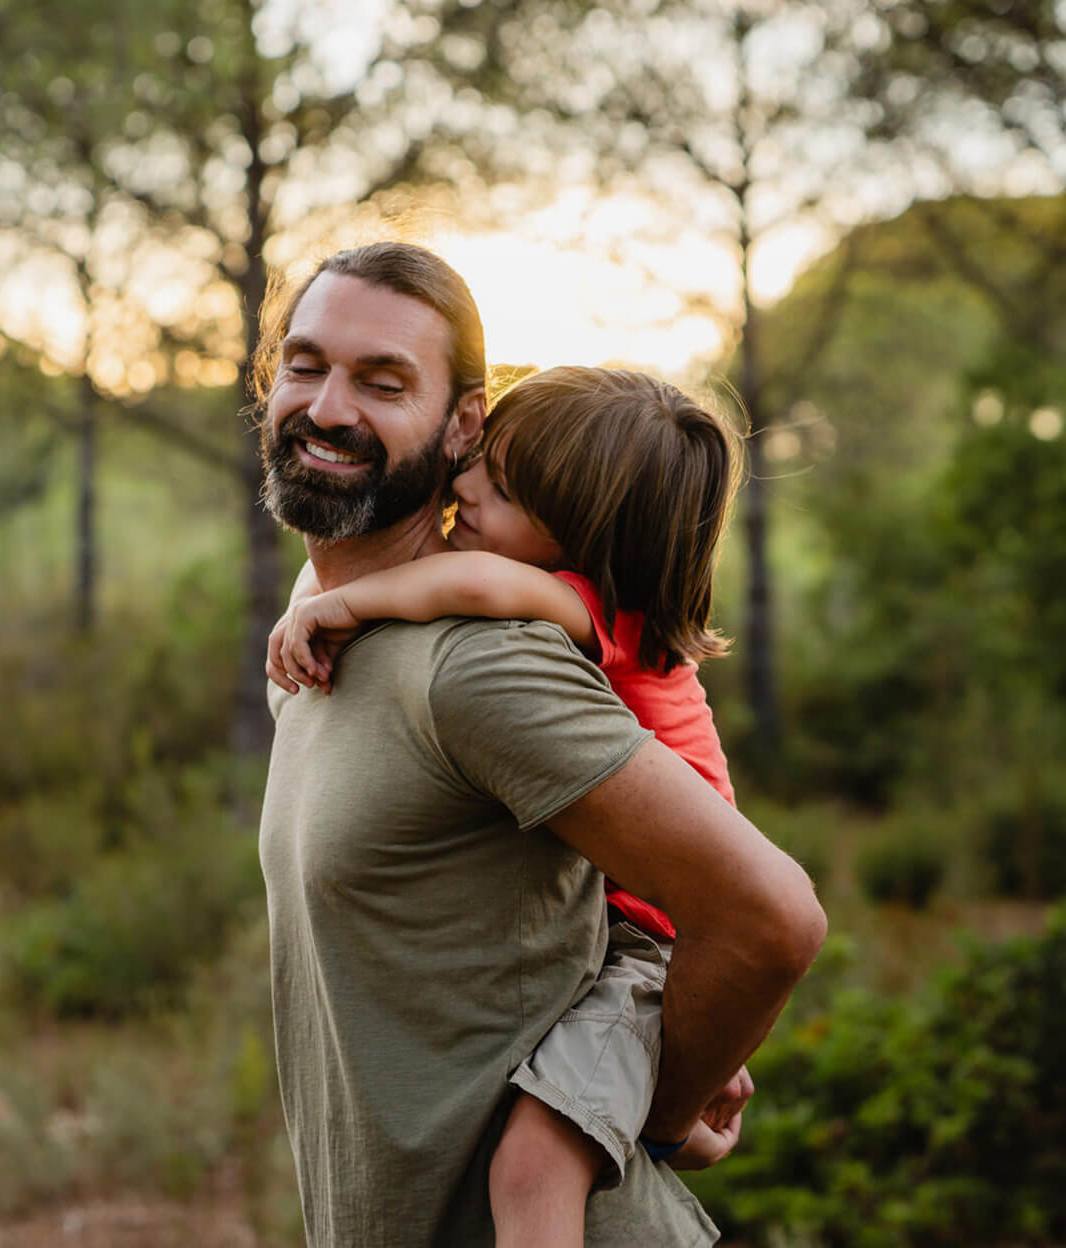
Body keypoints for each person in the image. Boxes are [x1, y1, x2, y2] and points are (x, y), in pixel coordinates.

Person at [255, 240, 827, 1247]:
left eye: (384, 381)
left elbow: (768, 916)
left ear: (463, 421)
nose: (330, 407)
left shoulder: (484, 662)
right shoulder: (323, 610)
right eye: (306, 365)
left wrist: (660, 1106)